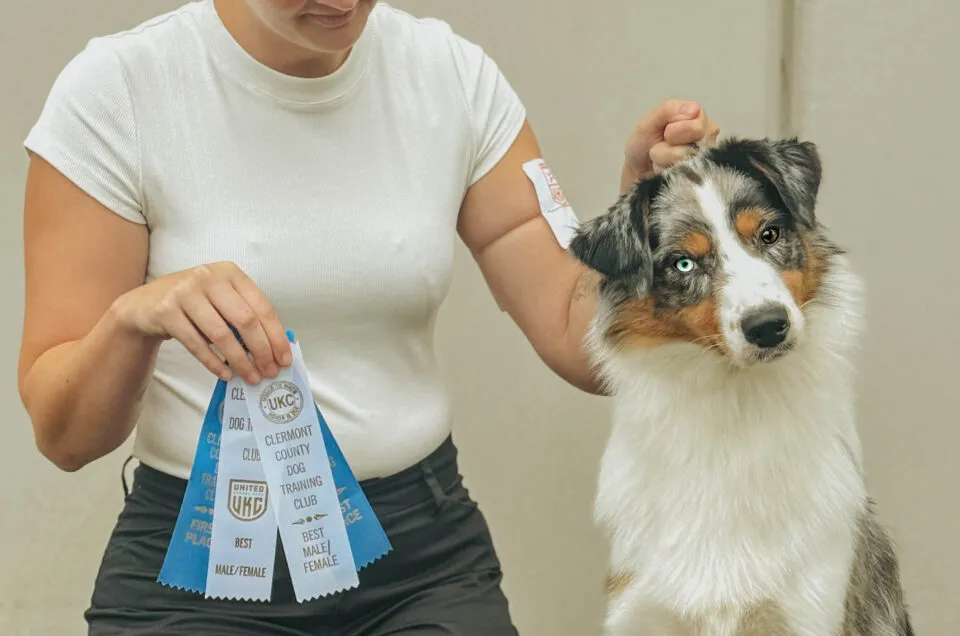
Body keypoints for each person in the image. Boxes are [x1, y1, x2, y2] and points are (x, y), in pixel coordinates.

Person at [18, 0, 719, 634]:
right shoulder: (117, 92)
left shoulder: (451, 77)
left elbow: (579, 337)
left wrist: (644, 224)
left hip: (418, 559)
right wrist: (135, 318)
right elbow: (65, 436)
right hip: (202, 559)